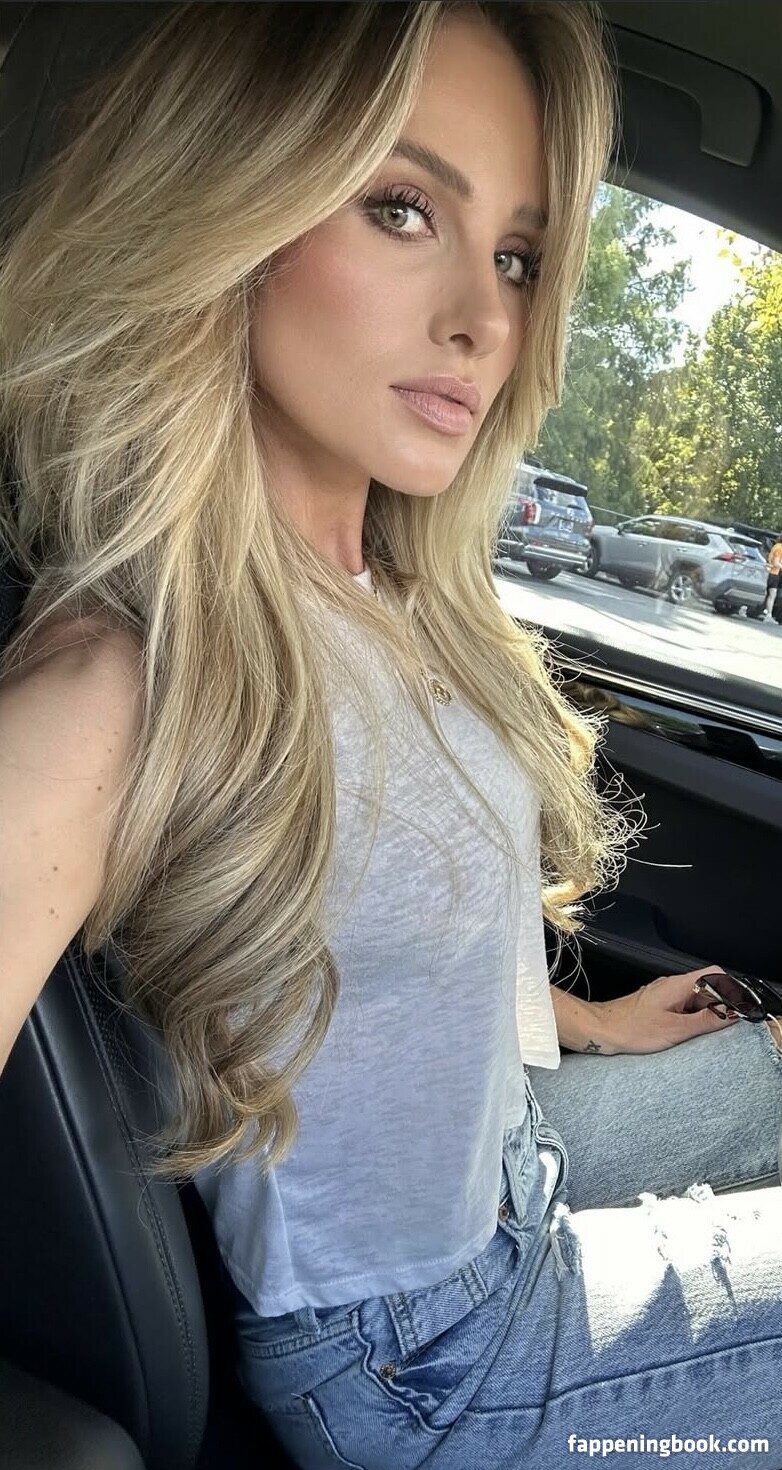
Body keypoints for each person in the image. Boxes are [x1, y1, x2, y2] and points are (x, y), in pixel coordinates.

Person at [0, 4, 781, 1468]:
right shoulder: (121, 676)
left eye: (516, 256)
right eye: (403, 207)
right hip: (423, 1354)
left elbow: (390, 964)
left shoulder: (394, 597)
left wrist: (594, 1025)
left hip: (510, 1168)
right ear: (232, 210)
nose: (486, 320)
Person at [764, 535, 782, 621]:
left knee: (771, 594)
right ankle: (768, 615)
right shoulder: (780, 548)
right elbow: (776, 562)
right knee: (771, 594)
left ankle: (768, 614)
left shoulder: (777, 546)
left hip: (773, 573)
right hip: (772, 573)